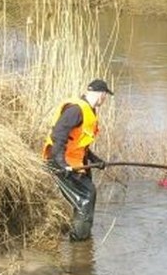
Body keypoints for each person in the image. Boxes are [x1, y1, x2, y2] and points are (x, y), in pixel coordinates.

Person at [42, 79, 114, 241]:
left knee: (87, 194)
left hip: (74, 162)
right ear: (101, 94)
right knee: (86, 196)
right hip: (61, 162)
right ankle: (79, 243)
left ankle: (81, 234)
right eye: (105, 96)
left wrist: (96, 160)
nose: (105, 99)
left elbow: (79, 143)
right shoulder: (76, 110)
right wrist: (62, 163)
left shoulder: (89, 110)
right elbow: (58, 135)